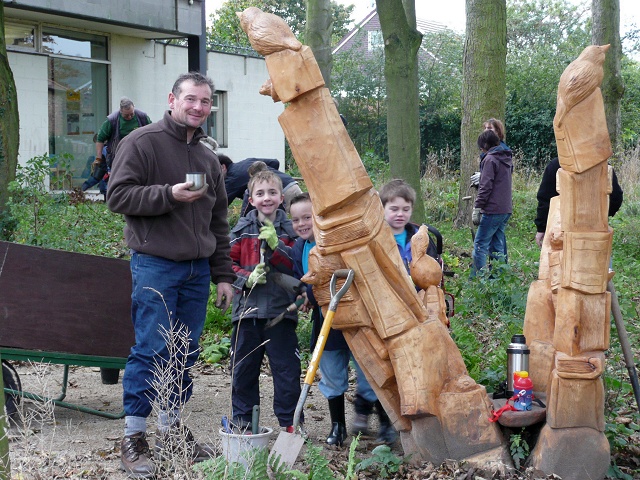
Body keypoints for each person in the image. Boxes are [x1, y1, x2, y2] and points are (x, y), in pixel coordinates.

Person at [107, 72, 234, 478]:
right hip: (156, 264)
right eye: (191, 99)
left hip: (197, 271)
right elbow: (118, 196)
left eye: (205, 101)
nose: (198, 107)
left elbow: (219, 221)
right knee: (151, 349)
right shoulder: (141, 143)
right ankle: (134, 436)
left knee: (185, 351)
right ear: (172, 99)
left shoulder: (208, 159)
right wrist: (169, 194)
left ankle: (171, 431)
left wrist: (224, 275)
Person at [289, 193, 395, 446]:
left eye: (308, 217)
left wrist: (315, 294)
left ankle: (385, 423)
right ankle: (338, 426)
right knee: (331, 373)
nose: (302, 223)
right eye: (296, 219)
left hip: (357, 319)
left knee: (370, 371)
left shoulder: (337, 244)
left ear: (319, 217)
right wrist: (306, 296)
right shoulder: (298, 249)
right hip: (326, 324)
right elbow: (303, 282)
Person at [228, 167, 302, 432]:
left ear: (282, 198)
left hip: (281, 312)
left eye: (272, 192)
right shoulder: (242, 228)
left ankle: (290, 424)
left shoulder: (290, 228)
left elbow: (297, 266)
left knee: (286, 371)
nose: (266, 198)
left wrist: (277, 246)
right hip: (247, 312)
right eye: (260, 193)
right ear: (250, 199)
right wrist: (246, 278)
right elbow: (227, 264)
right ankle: (243, 423)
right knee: (243, 369)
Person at [534, 157, 623, 247]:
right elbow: (616, 198)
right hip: (596, 229)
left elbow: (545, 198)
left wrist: (542, 227)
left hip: (561, 229)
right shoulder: (602, 165)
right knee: (598, 257)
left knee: (562, 258)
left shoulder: (557, 164)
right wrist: (601, 215)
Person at [82, 97, 151, 195]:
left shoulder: (142, 117)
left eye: (132, 114)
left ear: (134, 108)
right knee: (116, 177)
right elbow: (100, 138)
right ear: (120, 111)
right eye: (126, 116)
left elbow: (151, 133)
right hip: (118, 154)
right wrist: (98, 157)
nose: (130, 117)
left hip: (139, 153)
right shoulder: (112, 120)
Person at [471, 130, 513, 278]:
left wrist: (477, 207)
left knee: (480, 245)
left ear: (485, 145)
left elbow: (486, 186)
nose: (481, 150)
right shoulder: (506, 157)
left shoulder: (490, 159)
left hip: (493, 209)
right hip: (505, 208)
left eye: (481, 147)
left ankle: (479, 281)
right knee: (497, 245)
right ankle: (498, 279)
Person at [218, 154, 302, 213]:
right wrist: (269, 176)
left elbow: (221, 203)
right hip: (292, 184)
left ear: (223, 167)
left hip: (283, 191)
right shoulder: (248, 161)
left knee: (296, 222)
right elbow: (274, 162)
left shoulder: (232, 178)